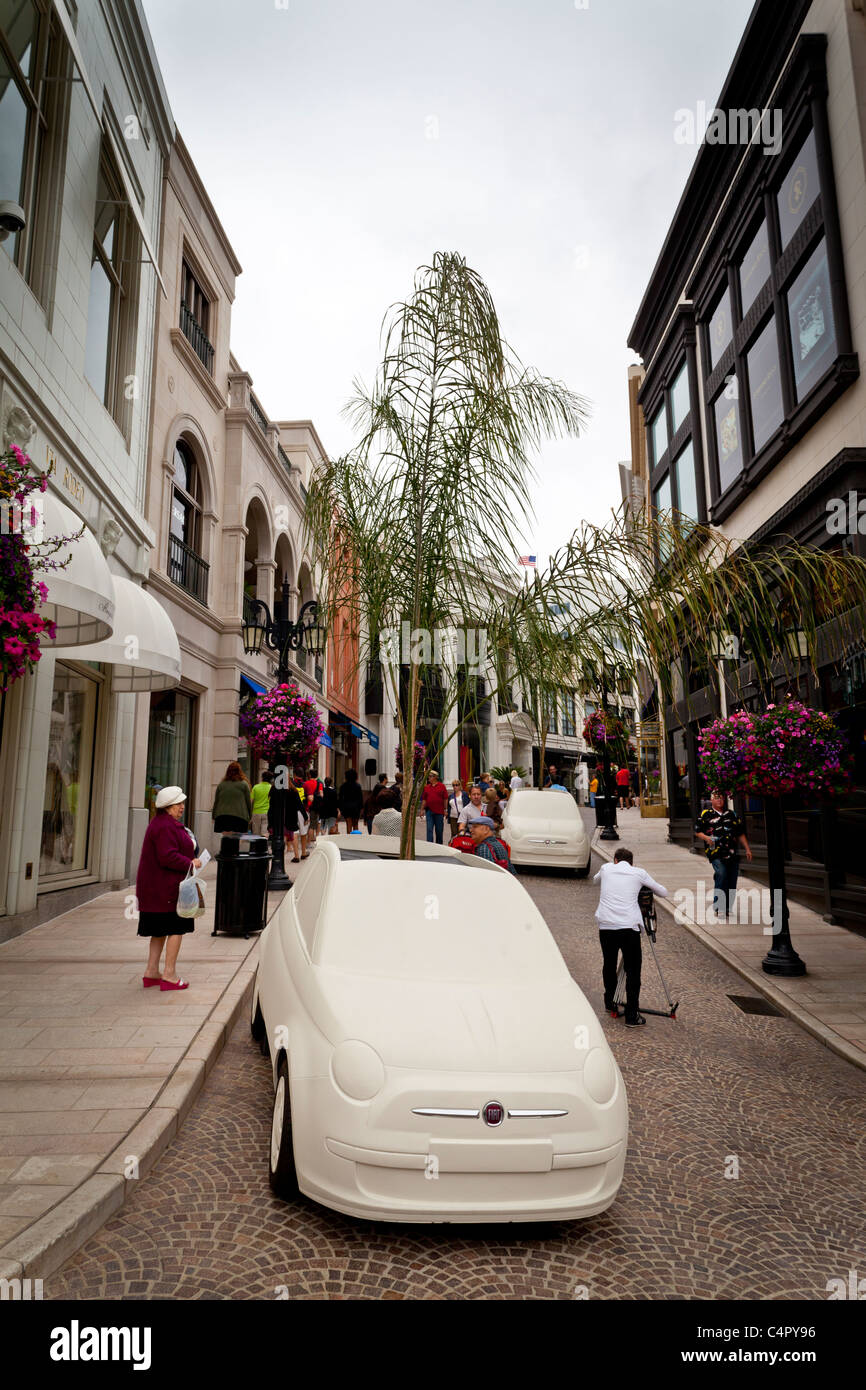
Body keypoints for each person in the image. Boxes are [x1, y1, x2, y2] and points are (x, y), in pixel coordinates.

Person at [593, 847, 669, 1026]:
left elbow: (595, 880)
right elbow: (663, 892)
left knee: (609, 963)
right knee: (634, 970)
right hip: (628, 927)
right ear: (631, 862)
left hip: (606, 925)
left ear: (615, 860)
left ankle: (610, 1002)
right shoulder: (639, 873)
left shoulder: (606, 868)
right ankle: (631, 1015)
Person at [136, 785, 201, 992]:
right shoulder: (165, 826)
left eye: (182, 803)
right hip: (166, 890)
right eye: (178, 804)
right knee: (176, 929)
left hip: (157, 889)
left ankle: (152, 971)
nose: (182, 807)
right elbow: (167, 856)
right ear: (168, 806)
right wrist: (191, 863)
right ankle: (169, 975)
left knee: (158, 931)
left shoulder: (161, 823)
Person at [696, 789, 753, 921]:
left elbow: (740, 833)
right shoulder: (706, 814)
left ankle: (727, 907)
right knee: (722, 873)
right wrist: (706, 838)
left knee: (732, 879)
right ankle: (718, 905)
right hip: (715, 852)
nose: (719, 799)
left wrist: (747, 849)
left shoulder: (731, 814)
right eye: (716, 797)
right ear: (711, 800)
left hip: (732, 852)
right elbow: (697, 831)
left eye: (721, 797)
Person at [212, 761, 252, 833]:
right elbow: (248, 802)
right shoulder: (244, 784)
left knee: (226, 839)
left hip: (222, 817)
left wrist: (213, 816)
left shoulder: (221, 785)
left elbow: (216, 802)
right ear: (239, 771)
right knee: (236, 840)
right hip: (239, 817)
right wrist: (250, 816)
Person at [422, 768, 449, 844]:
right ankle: (429, 845)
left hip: (439, 812)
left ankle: (439, 845)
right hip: (429, 811)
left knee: (439, 830)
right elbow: (424, 799)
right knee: (429, 829)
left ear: (435, 777)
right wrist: (421, 810)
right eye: (429, 776)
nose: (429, 778)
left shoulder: (442, 786)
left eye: (430, 776)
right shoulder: (427, 787)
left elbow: (445, 798)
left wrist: (445, 810)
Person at [285, 777, 309, 862]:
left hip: (286, 814)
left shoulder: (281, 791)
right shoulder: (293, 790)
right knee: (302, 833)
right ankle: (303, 853)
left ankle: (296, 855)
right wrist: (305, 816)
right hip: (297, 813)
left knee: (293, 832)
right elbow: (300, 803)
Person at [338, 767, 363, 833]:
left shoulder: (343, 786)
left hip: (346, 807)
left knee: (348, 824)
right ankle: (356, 838)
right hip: (356, 807)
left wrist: (341, 808)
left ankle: (349, 838)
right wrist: (361, 808)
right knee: (355, 824)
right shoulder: (358, 786)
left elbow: (340, 798)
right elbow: (360, 798)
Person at [303, 767, 324, 845]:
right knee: (315, 824)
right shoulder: (320, 784)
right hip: (316, 806)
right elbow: (321, 795)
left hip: (308, 806)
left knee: (309, 825)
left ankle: (308, 842)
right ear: (317, 775)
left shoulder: (306, 783)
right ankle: (312, 841)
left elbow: (304, 794)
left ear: (309, 775)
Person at [250, 770, 272, 838]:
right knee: (264, 834)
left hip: (256, 812)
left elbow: (251, 801)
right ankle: (262, 848)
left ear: (262, 778)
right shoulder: (271, 788)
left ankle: (256, 848)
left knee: (256, 834)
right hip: (267, 813)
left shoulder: (255, 787)